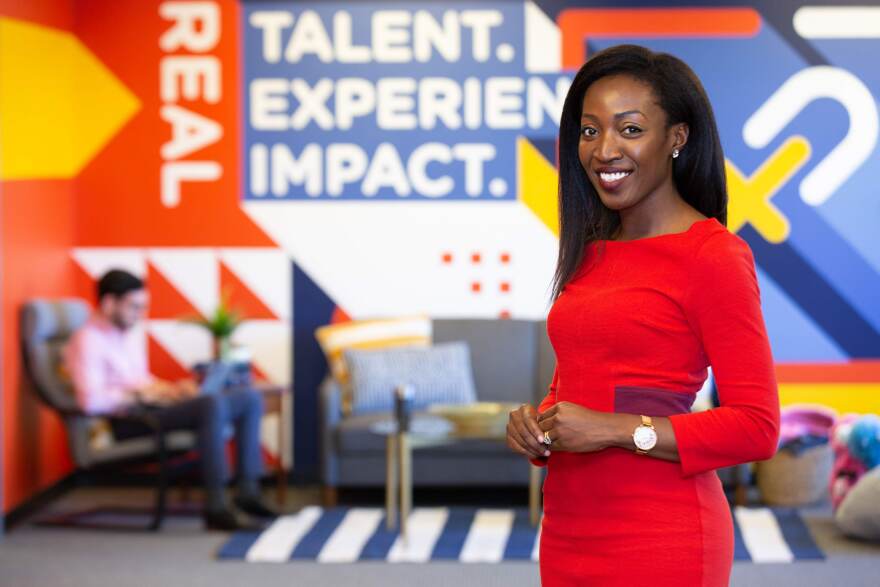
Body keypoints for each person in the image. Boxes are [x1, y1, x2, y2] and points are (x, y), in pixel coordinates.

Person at [506, 45, 780, 585]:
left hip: (662, 534)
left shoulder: (712, 255)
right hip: (568, 527)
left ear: (676, 137)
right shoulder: (591, 251)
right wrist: (540, 425)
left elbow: (758, 426)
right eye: (589, 131)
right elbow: (584, 381)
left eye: (629, 130)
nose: (604, 150)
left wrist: (612, 430)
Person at [65, 269, 275, 530]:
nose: (139, 315)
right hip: (125, 421)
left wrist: (170, 389)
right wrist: (137, 394)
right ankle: (216, 506)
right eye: (134, 307)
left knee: (249, 398)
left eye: (143, 308)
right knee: (211, 404)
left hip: (151, 408)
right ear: (109, 303)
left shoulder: (123, 336)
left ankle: (248, 493)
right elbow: (90, 401)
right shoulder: (87, 341)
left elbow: (140, 379)